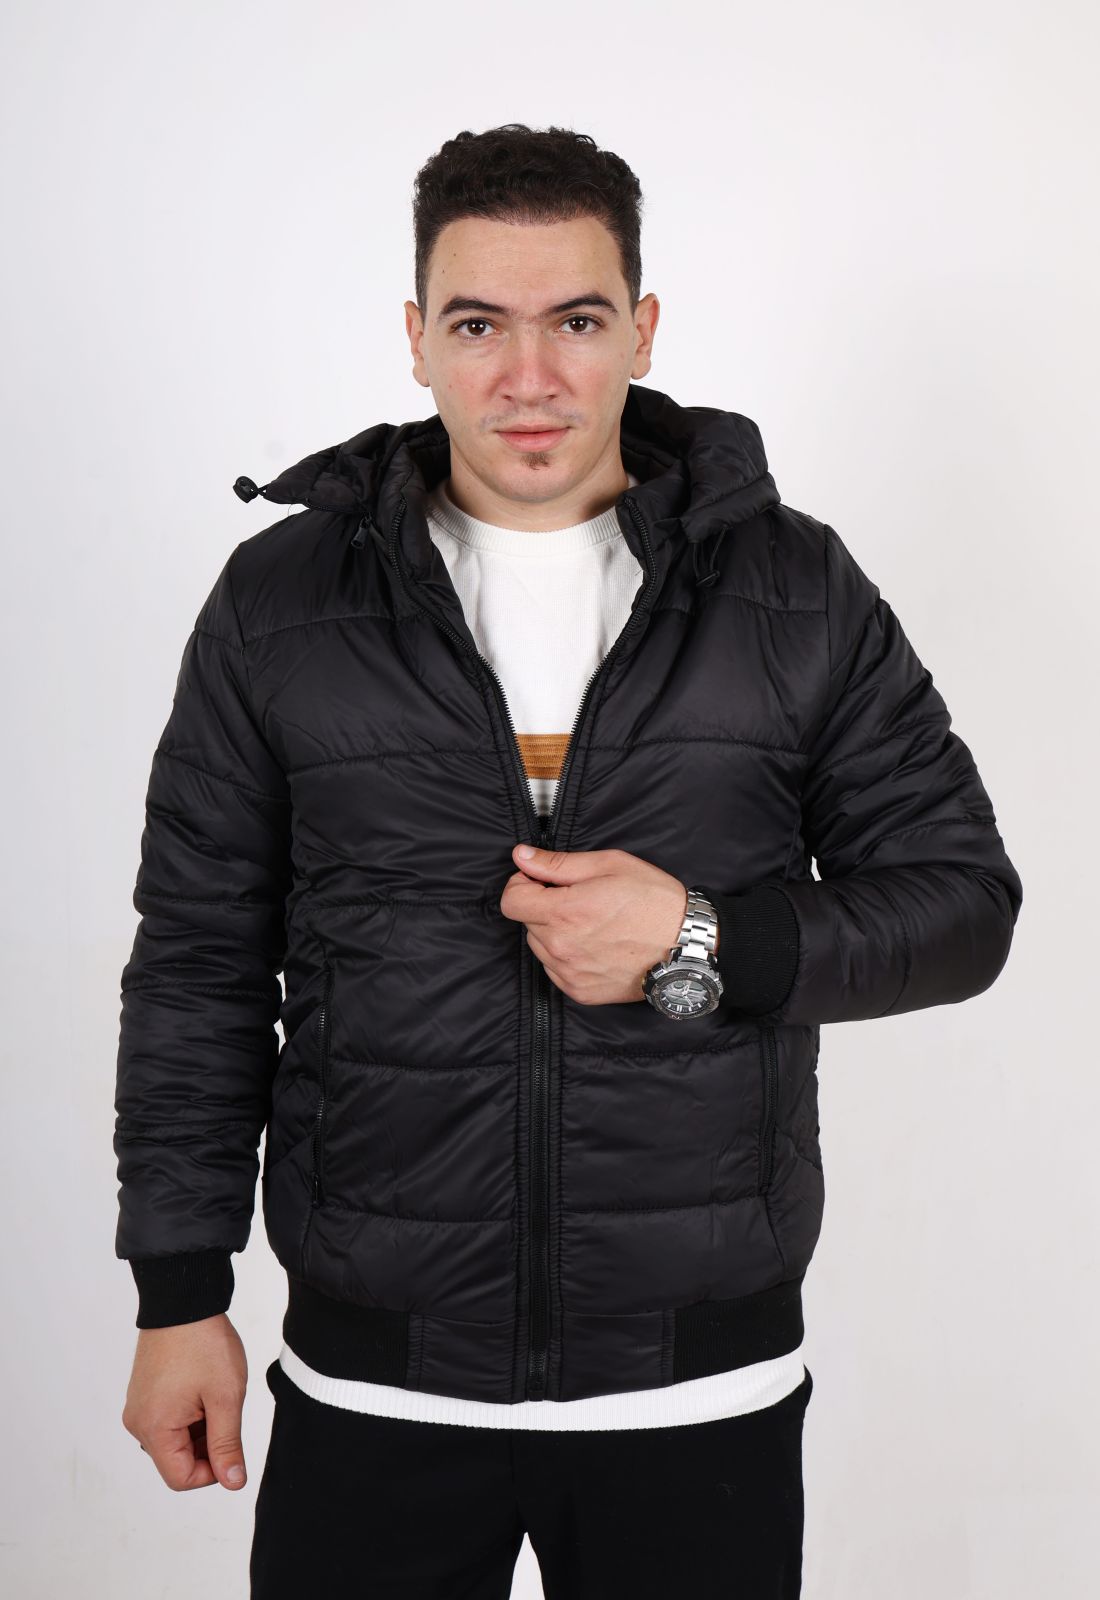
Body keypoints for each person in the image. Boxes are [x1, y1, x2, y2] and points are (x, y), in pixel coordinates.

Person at [114, 123, 1023, 1599]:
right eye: (479, 324)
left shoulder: (794, 590)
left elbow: (963, 907)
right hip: (373, 1381)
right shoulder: (280, 604)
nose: (528, 378)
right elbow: (199, 965)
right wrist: (178, 1292)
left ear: (642, 332)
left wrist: (701, 938)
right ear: (417, 338)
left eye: (577, 322)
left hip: (698, 1385)